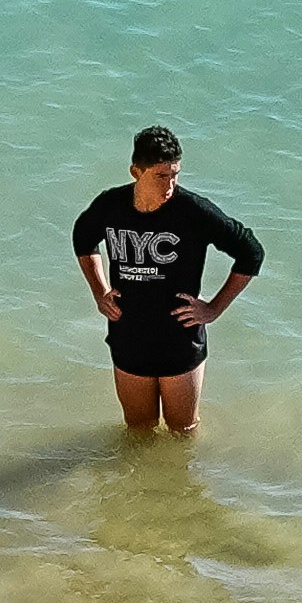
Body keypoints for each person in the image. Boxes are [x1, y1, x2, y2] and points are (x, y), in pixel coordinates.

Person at [72, 125, 263, 435]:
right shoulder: (111, 206)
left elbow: (251, 253)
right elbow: (83, 239)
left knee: (182, 429)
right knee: (138, 429)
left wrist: (213, 309)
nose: (171, 184)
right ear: (136, 171)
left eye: (175, 174)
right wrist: (99, 291)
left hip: (180, 339)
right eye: (161, 176)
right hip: (128, 334)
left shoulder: (192, 212)